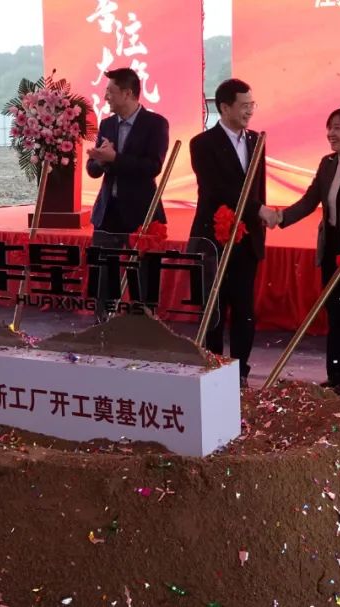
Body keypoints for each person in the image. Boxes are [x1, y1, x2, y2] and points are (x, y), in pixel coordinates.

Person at [259, 108, 340, 395]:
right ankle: (336, 374)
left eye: (338, 128)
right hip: (332, 250)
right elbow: (309, 201)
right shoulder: (327, 164)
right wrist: (281, 217)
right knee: (335, 313)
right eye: (329, 128)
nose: (331, 134)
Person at [189, 78, 266, 388]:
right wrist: (258, 209)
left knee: (244, 309)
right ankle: (213, 369)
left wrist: (259, 217)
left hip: (247, 239)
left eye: (252, 105)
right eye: (244, 105)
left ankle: (240, 372)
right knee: (214, 308)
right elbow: (216, 189)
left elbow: (257, 187)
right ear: (224, 107)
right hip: (214, 237)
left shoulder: (256, 140)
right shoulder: (202, 143)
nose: (249, 111)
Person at [85, 67, 170, 323]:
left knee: (143, 279)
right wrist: (100, 160)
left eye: (110, 92)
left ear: (128, 93)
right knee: (103, 279)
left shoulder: (155, 124)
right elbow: (92, 170)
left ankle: (144, 329)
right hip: (108, 211)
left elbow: (152, 166)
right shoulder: (107, 124)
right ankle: (103, 326)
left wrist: (116, 158)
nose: (106, 97)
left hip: (142, 212)